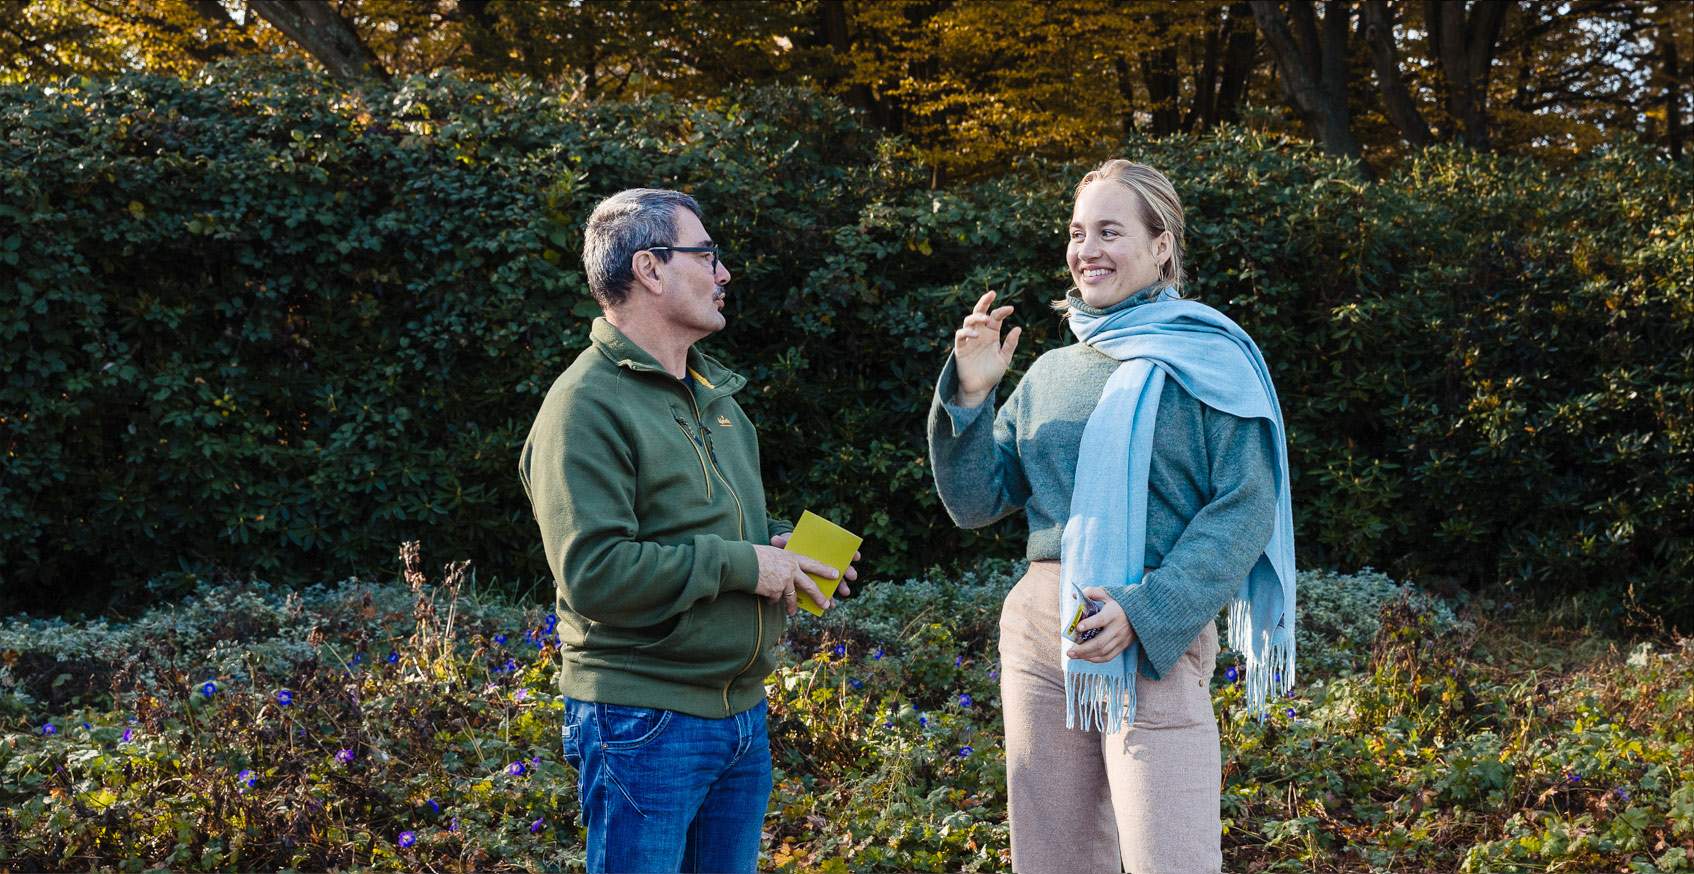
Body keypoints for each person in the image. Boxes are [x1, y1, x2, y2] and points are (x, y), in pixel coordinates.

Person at [927, 160, 1295, 874]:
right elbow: (976, 502)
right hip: (1041, 631)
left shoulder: (1213, 362)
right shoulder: (1051, 372)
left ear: (1161, 246)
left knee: (1172, 859)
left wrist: (1145, 612)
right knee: (1052, 860)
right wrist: (969, 396)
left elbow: (1246, 507)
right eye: (1076, 233)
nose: (1086, 250)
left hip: (1153, 634)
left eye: (1108, 231)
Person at [520, 188, 857, 874]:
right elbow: (596, 575)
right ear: (650, 268)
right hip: (642, 721)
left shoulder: (716, 398)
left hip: (740, 718)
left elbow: (714, 528)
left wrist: (779, 550)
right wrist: (744, 564)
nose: (723, 273)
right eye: (706, 255)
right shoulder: (584, 406)